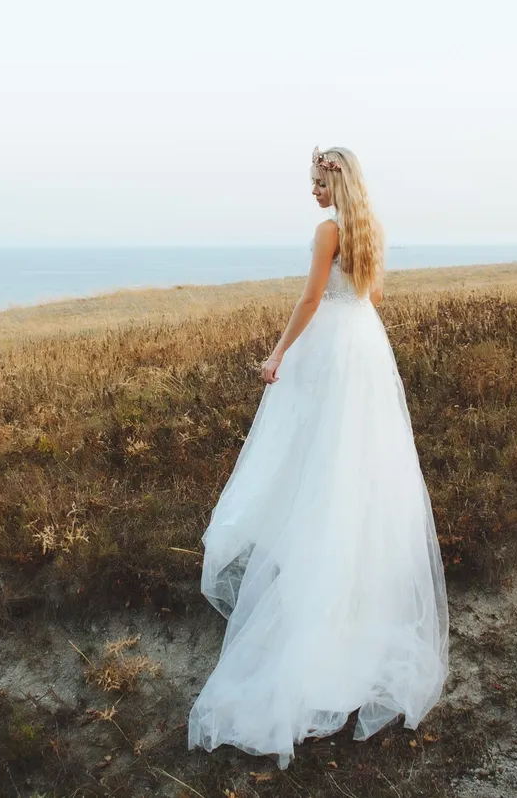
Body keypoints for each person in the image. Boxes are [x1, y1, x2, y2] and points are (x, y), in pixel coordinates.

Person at [186, 146, 450, 770]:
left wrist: (277, 355)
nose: (309, 192)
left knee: (318, 469)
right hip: (364, 346)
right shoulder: (370, 229)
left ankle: (312, 635)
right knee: (360, 475)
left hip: (333, 349)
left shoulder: (329, 229)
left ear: (332, 183)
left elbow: (310, 300)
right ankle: (353, 623)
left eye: (313, 182)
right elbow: (371, 295)